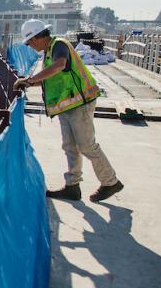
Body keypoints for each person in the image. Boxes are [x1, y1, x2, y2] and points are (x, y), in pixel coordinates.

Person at [13, 19, 123, 202]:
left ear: (39, 37)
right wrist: (29, 81)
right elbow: (52, 77)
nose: (29, 46)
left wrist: (31, 80)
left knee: (86, 145)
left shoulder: (59, 45)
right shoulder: (48, 52)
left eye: (30, 41)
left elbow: (60, 66)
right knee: (70, 147)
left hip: (79, 102)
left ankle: (110, 182)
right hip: (68, 105)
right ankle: (72, 186)